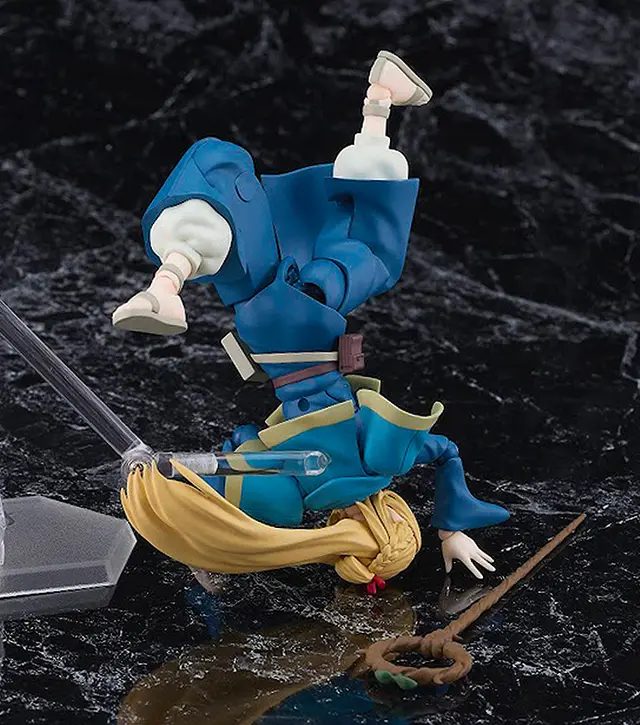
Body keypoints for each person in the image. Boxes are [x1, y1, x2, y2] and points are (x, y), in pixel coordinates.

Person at [116, 51, 509, 588]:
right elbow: (443, 451)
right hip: (300, 326)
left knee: (346, 245)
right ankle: (377, 105)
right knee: (361, 246)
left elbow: (438, 449)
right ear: (377, 524)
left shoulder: (353, 472)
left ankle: (170, 278)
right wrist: (452, 530)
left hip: (291, 354)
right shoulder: (372, 462)